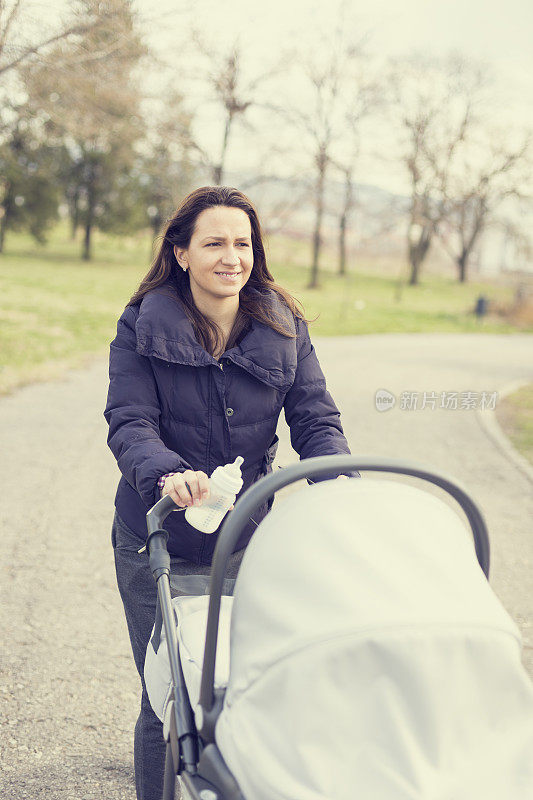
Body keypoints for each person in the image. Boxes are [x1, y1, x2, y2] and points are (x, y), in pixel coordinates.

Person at [104, 185, 358, 800]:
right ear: (182, 252)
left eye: (242, 243)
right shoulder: (142, 322)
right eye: (214, 242)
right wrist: (169, 473)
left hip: (246, 535)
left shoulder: (282, 325)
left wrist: (342, 483)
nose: (231, 257)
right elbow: (129, 420)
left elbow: (316, 420)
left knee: (245, 678)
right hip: (156, 530)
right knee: (168, 689)